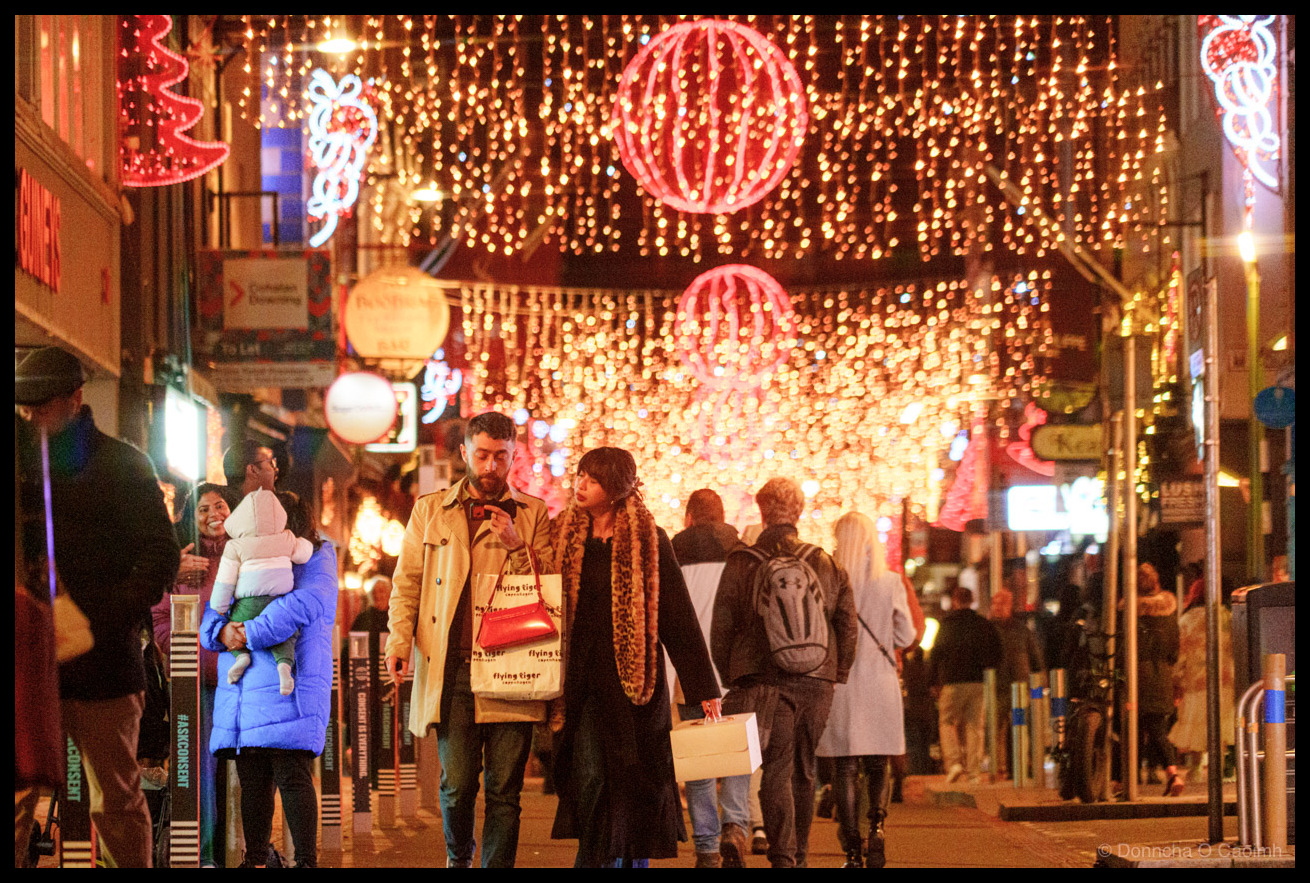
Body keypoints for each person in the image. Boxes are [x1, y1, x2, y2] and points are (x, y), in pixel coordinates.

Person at [15, 346, 182, 868]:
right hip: (24, 659)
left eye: (42, 406)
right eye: (24, 407)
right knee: (20, 794)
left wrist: (109, 616)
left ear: (74, 399)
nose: (32, 416)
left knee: (114, 796)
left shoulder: (121, 463)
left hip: (102, 662)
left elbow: (161, 552)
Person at [384, 411, 553, 868]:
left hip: (512, 665)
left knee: (505, 789)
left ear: (514, 455)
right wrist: (398, 642)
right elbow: (407, 584)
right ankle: (459, 857)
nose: (491, 467)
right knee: (457, 784)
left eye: (501, 457)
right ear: (464, 453)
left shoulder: (534, 514)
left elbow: (548, 591)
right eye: (482, 455)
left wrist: (518, 546)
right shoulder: (429, 509)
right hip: (452, 666)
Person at [548, 447, 721, 868]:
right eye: (580, 476)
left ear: (616, 487)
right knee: (589, 777)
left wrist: (704, 689)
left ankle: (622, 860)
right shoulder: (565, 536)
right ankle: (594, 859)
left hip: (634, 686)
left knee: (632, 782)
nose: (580, 485)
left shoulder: (649, 539)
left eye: (592, 479)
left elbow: (677, 616)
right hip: (583, 682)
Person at [711, 477, 857, 868]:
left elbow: (721, 625)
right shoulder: (825, 561)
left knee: (775, 767)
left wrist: (730, 674)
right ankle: (801, 855)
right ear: (799, 512)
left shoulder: (741, 563)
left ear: (761, 511)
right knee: (804, 769)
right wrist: (836, 672)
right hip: (817, 678)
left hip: (763, 679)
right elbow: (847, 623)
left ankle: (783, 857)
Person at [200, 491, 338, 868]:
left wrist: (247, 632)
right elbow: (218, 602)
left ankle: (306, 861)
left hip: (291, 677)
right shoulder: (244, 549)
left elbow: (306, 602)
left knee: (291, 771)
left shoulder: (318, 554)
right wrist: (219, 632)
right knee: (253, 776)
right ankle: (256, 859)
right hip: (245, 684)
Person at [816, 513, 916, 868]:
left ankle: (853, 850)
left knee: (844, 767)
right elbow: (906, 636)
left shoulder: (828, 581)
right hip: (879, 682)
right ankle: (877, 826)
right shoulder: (890, 582)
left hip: (841, 683)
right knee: (878, 763)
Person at [150, 481, 239, 866]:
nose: (213, 515)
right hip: (196, 683)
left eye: (220, 506)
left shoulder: (248, 555)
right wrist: (196, 657)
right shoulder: (179, 560)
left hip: (241, 679)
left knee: (245, 772)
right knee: (198, 771)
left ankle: (241, 851)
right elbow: (160, 621)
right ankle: (201, 855)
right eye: (203, 509)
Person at [669, 488, 744, 867]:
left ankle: (707, 846)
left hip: (691, 672)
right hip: (735, 671)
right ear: (723, 516)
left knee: (698, 762)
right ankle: (736, 823)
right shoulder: (741, 555)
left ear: (689, 518)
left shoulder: (672, 553)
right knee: (737, 755)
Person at [209, 489, 315, 694]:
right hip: (277, 599)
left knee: (234, 627)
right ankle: (284, 668)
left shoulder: (234, 546)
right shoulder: (287, 537)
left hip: (247, 604)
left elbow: (225, 582)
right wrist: (306, 542)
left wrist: (219, 607)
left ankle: (241, 657)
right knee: (287, 635)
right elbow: (304, 553)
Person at [928, 585, 1002, 785]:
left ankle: (953, 763)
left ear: (955, 601)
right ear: (972, 600)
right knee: (975, 726)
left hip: (952, 682)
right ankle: (974, 773)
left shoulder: (947, 624)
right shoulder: (982, 624)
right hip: (978, 681)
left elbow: (936, 653)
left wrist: (933, 681)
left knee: (946, 722)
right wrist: (987, 667)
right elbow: (996, 651)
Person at [1170, 572, 1234, 779]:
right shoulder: (1226, 616)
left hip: (1196, 679)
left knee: (1197, 722)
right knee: (1222, 722)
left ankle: (1196, 767)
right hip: (1224, 678)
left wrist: (1177, 678)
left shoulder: (1187, 620)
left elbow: (1181, 652)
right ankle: (1222, 764)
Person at [1129, 562, 1184, 796]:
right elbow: (1174, 647)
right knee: (1157, 727)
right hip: (1161, 674)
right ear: (1157, 582)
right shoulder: (1169, 611)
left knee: (1130, 729)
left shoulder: (1130, 611)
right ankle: (1172, 772)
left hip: (1136, 675)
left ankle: (1124, 779)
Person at [989, 566, 1046, 780]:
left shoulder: (1021, 629)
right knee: (996, 728)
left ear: (1009, 606)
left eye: (1002, 604)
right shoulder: (989, 629)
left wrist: (1039, 679)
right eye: (996, 603)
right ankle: (999, 767)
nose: (998, 607)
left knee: (1019, 726)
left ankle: (1018, 766)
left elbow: (1034, 655)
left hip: (1019, 686)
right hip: (997, 686)